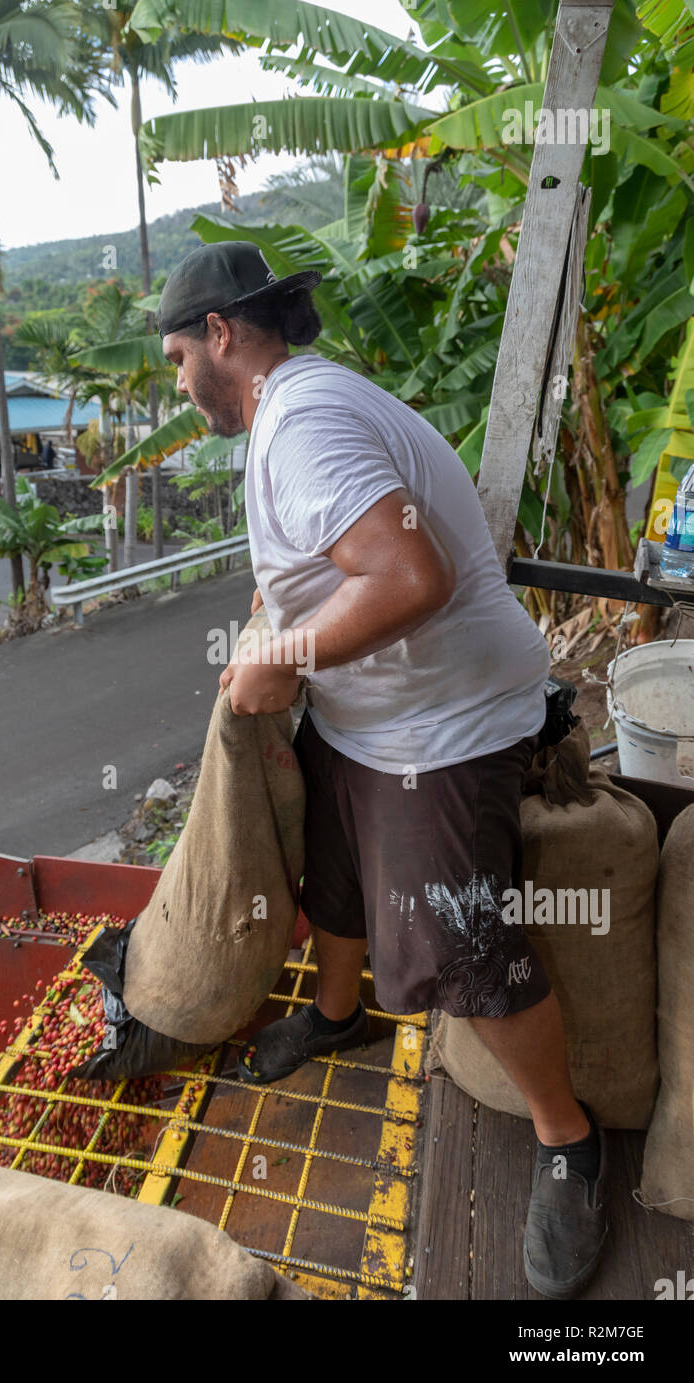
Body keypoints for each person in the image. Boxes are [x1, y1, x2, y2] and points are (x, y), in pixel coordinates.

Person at [157, 241, 608, 1301]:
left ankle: (566, 1140)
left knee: (456, 937)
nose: (179, 385)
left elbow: (410, 573)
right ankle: (340, 1010)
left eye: (179, 358)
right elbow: (329, 566)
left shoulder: (302, 422)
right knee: (336, 873)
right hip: (369, 713)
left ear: (222, 334)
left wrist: (278, 654)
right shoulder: (298, 410)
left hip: (442, 727)